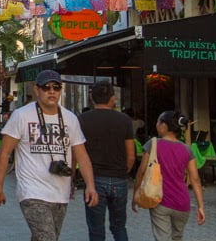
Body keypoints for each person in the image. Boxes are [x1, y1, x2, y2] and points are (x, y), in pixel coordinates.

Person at [0, 69, 98, 241]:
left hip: (60, 192)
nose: (52, 91)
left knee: (44, 237)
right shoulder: (21, 116)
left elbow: (82, 156)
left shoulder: (70, 118)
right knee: (47, 237)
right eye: (46, 87)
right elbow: (4, 153)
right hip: (32, 192)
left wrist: (91, 186)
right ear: (36, 90)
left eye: (56, 87)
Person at [132, 111, 205, 240]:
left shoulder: (152, 144)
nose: (157, 124)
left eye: (158, 122)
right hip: (182, 203)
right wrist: (200, 207)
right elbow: (195, 179)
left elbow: (141, 172)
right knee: (177, 237)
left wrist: (135, 195)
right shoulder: (187, 149)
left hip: (160, 201)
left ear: (164, 126)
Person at [79, 81, 135, 241]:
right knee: (119, 227)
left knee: (96, 229)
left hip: (94, 180)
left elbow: (76, 151)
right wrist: (124, 171)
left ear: (91, 97)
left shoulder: (82, 119)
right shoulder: (124, 120)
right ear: (112, 98)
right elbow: (131, 155)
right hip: (119, 179)